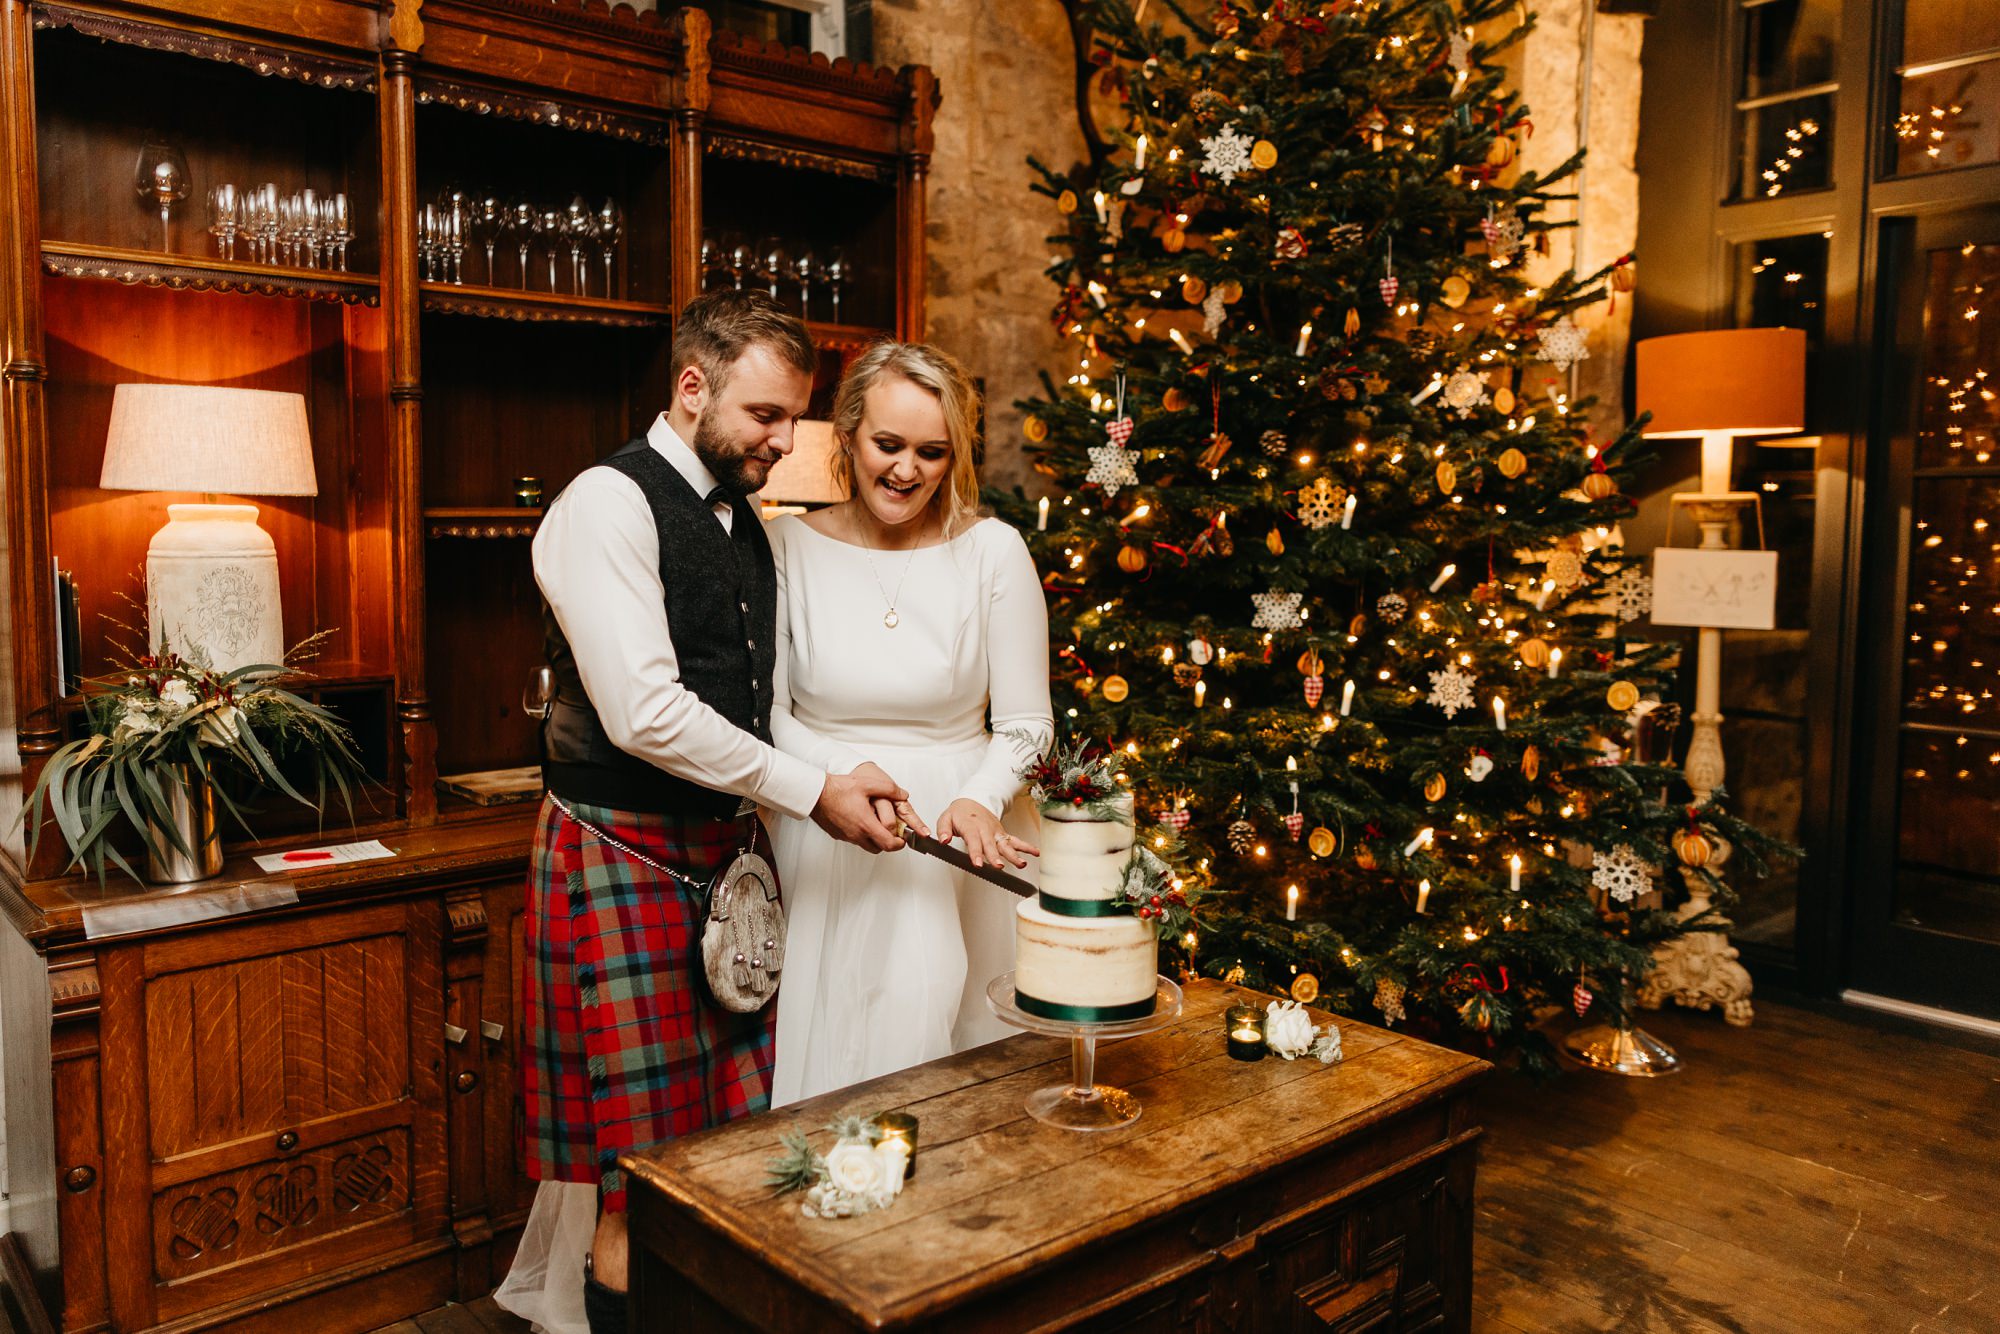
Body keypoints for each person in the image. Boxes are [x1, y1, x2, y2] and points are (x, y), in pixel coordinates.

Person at [498, 290, 907, 1334]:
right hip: (620, 855)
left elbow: (752, 711)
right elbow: (643, 712)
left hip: (723, 861)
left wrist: (833, 772)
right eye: (765, 416)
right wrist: (808, 790)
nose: (783, 441)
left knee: (725, 1152)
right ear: (692, 387)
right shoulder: (605, 504)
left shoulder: (748, 522)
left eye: (794, 419)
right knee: (636, 1170)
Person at [766, 340, 1054, 1106]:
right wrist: (831, 782)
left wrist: (981, 797)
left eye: (932, 452)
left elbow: (1028, 723)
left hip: (960, 835)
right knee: (839, 1056)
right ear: (848, 433)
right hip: (826, 822)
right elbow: (766, 712)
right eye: (888, 445)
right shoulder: (784, 544)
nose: (906, 471)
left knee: (959, 1054)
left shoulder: (994, 551)